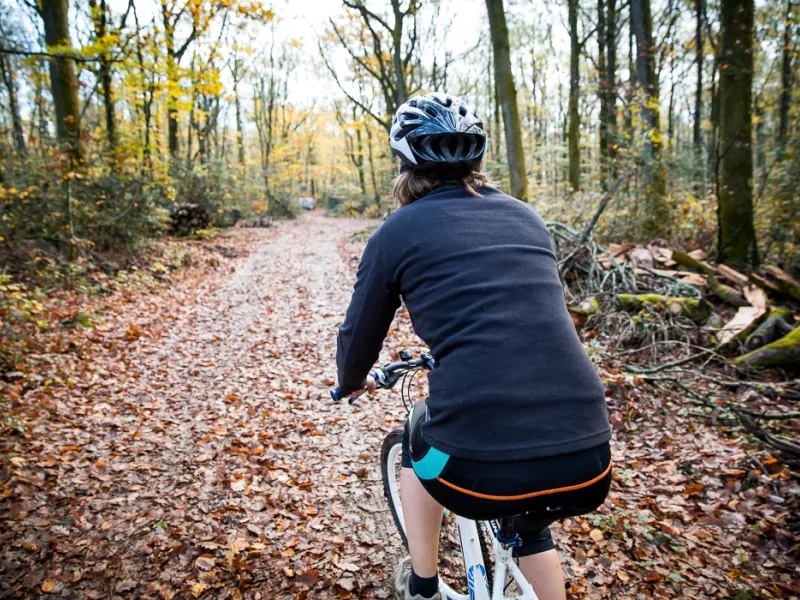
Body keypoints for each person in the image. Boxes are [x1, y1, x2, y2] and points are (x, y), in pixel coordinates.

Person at [335, 92, 612, 600]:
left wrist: (350, 382)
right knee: (531, 523)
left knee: (420, 451)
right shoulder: (526, 218)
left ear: (404, 161)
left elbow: (360, 334)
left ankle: (422, 586)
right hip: (589, 456)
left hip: (474, 464)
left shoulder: (395, 233)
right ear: (478, 159)